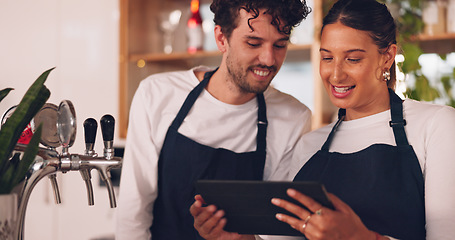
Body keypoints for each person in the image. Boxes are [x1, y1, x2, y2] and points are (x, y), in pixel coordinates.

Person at [115, 0, 312, 239]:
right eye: (253, 43)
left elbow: (278, 230)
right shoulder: (156, 94)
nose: (269, 59)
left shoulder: (293, 117)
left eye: (280, 45)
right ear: (221, 39)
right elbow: (133, 211)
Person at [269, 0, 455, 239]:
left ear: (387, 56)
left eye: (352, 59)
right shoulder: (309, 145)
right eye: (327, 58)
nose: (336, 74)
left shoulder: (437, 126)